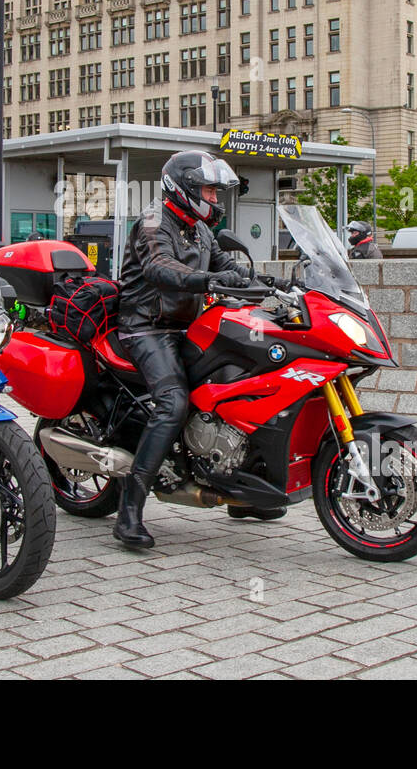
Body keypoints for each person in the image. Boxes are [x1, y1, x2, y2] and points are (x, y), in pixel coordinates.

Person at [113, 150, 287, 550]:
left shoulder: (200, 229)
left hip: (188, 327)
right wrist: (211, 280)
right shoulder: (154, 222)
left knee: (239, 383)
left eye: (215, 190)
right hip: (146, 327)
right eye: (209, 190)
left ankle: (241, 493)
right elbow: (160, 268)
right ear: (185, 189)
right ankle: (129, 511)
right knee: (172, 403)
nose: (214, 198)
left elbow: (231, 268)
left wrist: (276, 283)